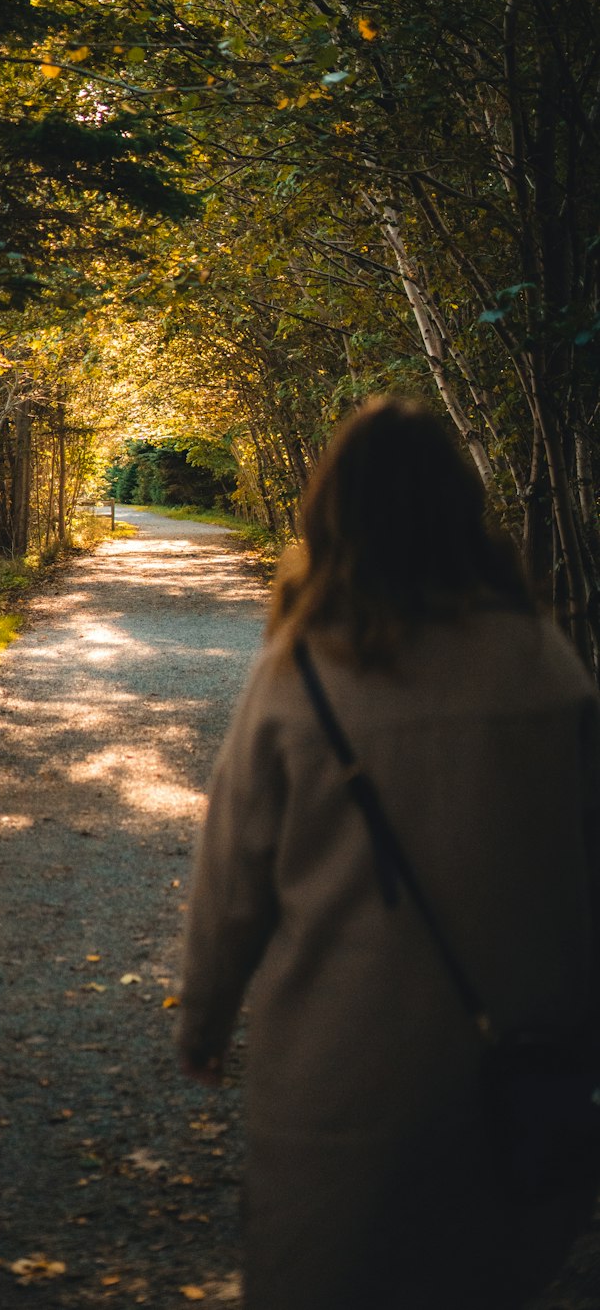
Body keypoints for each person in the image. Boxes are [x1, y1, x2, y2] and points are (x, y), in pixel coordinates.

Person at [178, 397, 600, 1310]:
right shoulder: (547, 659)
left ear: (332, 512)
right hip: (519, 1063)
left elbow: (233, 876)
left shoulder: (301, 671)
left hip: (342, 1079)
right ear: (463, 510)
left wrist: (203, 1021)